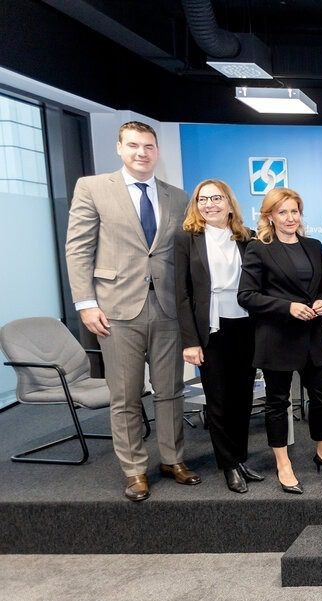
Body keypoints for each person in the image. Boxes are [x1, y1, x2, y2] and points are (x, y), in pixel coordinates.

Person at [65, 121, 199, 502]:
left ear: (157, 151)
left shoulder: (178, 196)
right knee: (125, 395)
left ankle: (172, 459)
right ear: (119, 148)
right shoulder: (92, 188)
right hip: (115, 310)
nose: (142, 153)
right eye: (134, 145)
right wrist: (86, 304)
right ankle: (135, 469)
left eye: (149, 146)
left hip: (168, 309)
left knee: (170, 390)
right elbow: (78, 249)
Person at [238, 188, 322, 494]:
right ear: (270, 216)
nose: (290, 218)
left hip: (312, 336)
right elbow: (247, 295)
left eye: (294, 211)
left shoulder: (312, 246)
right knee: (277, 402)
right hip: (277, 337)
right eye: (282, 212)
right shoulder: (258, 248)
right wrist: (287, 307)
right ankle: (283, 463)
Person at [175, 179, 263, 493]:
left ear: (229, 202)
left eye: (216, 198)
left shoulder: (247, 236)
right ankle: (228, 465)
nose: (209, 205)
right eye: (203, 199)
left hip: (246, 325)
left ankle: (240, 458)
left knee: (243, 397)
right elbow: (182, 294)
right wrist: (190, 341)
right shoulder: (187, 238)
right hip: (211, 328)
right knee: (219, 400)